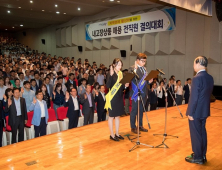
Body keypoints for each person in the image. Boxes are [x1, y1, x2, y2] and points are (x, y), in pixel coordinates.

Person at [185, 56, 214, 164]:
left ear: (198, 63)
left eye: (194, 63)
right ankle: (202, 154)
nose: (193, 66)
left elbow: (194, 97)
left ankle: (197, 157)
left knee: (196, 134)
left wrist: (190, 112)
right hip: (204, 111)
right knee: (202, 132)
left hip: (196, 111)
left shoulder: (196, 78)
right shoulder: (210, 77)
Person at [105, 58, 129, 141]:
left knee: (118, 116)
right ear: (114, 65)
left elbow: (122, 87)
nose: (120, 67)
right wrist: (111, 75)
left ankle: (117, 133)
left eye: (121, 65)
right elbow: (107, 86)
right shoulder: (110, 73)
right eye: (118, 65)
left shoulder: (120, 74)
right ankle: (112, 135)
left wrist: (125, 85)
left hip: (119, 97)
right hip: (112, 97)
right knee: (111, 116)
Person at [128, 53, 153, 134]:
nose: (144, 63)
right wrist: (135, 68)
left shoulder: (144, 69)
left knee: (141, 110)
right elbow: (130, 77)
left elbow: (145, 82)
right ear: (137, 60)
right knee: (134, 110)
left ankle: (140, 125)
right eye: (142, 61)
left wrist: (149, 82)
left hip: (144, 92)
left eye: (145, 61)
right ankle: (133, 127)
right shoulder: (132, 68)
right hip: (136, 93)